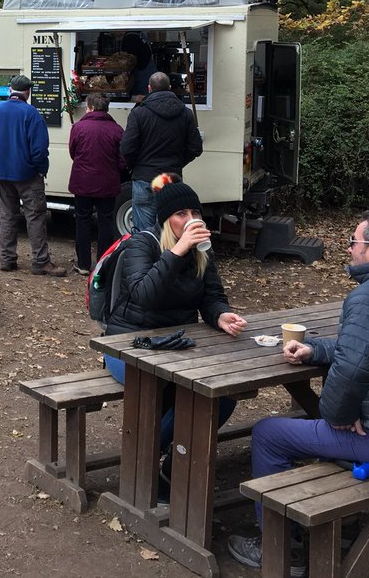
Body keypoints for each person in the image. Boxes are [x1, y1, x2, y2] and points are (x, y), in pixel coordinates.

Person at [228, 211, 369, 573]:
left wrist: (338, 416)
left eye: (354, 242)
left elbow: (353, 368)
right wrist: (316, 350)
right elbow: (367, 347)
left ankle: (283, 549)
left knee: (268, 434)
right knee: (328, 427)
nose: (349, 249)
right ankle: (344, 523)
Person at [103, 174, 246, 499]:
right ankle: (142, 461)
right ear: (166, 219)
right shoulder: (143, 243)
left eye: (195, 214)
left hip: (177, 346)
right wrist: (178, 250)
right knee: (164, 386)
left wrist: (220, 314)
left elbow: (212, 295)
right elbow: (144, 295)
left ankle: (166, 468)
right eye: (182, 214)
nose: (191, 220)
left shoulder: (201, 252)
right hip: (126, 345)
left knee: (221, 398)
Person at [0, 74, 66, 277]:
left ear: (11, 89)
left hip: (3, 172)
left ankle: (7, 259)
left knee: (7, 216)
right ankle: (40, 261)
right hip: (27, 174)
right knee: (35, 217)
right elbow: (40, 148)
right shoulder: (31, 113)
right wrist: (41, 168)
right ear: (28, 92)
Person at [119, 71, 203, 233]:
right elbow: (195, 148)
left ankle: (148, 258)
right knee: (171, 231)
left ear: (149, 88)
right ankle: (168, 258)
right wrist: (178, 162)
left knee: (144, 234)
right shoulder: (186, 113)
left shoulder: (138, 113)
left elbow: (127, 148)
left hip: (144, 177)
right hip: (172, 178)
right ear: (170, 88)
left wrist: (134, 166)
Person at [68, 92, 125, 275]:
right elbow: (123, 160)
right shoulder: (117, 130)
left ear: (91, 107)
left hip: (82, 182)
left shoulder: (78, 127)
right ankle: (103, 263)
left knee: (82, 221)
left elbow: (73, 152)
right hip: (108, 183)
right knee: (106, 222)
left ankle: (84, 264)